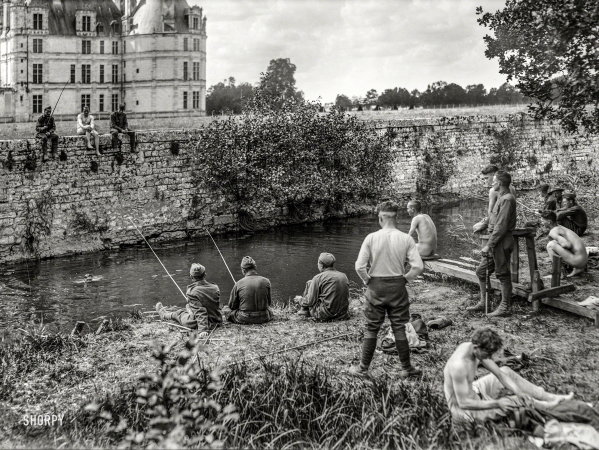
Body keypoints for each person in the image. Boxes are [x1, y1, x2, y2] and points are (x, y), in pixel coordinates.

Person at [351, 200, 424, 379]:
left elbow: (359, 266)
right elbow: (418, 267)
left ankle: (362, 369)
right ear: (396, 217)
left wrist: (368, 281)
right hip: (397, 285)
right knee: (399, 326)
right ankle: (406, 368)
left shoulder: (371, 238)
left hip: (375, 286)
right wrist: (405, 280)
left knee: (371, 328)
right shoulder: (406, 238)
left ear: (380, 218)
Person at [444, 327, 573, 424]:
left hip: (476, 391)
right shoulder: (459, 366)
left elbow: (499, 374)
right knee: (513, 402)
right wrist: (497, 403)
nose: (489, 358)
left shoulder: (472, 348)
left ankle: (549, 397)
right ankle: (552, 407)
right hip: (467, 411)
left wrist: (518, 391)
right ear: (477, 347)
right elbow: (463, 403)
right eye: (487, 355)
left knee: (506, 371)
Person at [468, 170, 516, 317]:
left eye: (494, 181)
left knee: (502, 273)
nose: (492, 183)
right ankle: (484, 302)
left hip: (501, 242)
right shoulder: (501, 198)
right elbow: (494, 220)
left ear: (500, 183)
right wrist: (483, 225)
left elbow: (501, 227)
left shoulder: (507, 199)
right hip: (496, 242)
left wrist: (489, 244)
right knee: (481, 271)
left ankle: (505, 307)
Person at [156, 263, 222, 337]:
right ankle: (189, 309)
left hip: (202, 323)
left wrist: (203, 330)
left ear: (191, 277)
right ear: (205, 275)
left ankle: (164, 315)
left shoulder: (192, 292)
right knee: (188, 306)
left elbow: (200, 312)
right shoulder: (215, 287)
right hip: (216, 320)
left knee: (179, 313)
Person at [295, 252, 350, 321]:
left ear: (321, 265)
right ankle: (304, 310)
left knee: (309, 283)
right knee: (310, 283)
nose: (317, 264)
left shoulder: (318, 277)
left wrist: (300, 299)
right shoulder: (343, 276)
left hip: (326, 315)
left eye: (318, 263)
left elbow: (310, 302)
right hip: (343, 314)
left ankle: (303, 310)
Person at [222, 256, 273, 324]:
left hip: (244, 318)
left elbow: (232, 306)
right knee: (269, 310)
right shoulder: (266, 281)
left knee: (226, 308)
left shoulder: (238, 283)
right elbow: (269, 303)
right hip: (264, 317)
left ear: (243, 270)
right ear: (255, 268)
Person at [540, 211, 588, 277]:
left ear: (549, 222)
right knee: (554, 243)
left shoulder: (553, 231)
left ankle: (558, 274)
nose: (541, 223)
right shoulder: (560, 227)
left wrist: (556, 243)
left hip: (578, 261)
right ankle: (578, 268)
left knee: (550, 245)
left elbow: (567, 245)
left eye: (542, 221)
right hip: (584, 259)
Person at [473, 165, 517, 233]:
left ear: (494, 175)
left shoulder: (493, 190)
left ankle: (486, 242)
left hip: (499, 224)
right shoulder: (511, 188)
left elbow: (491, 212)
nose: (485, 181)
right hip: (511, 223)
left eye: (486, 178)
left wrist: (485, 223)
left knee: (475, 227)